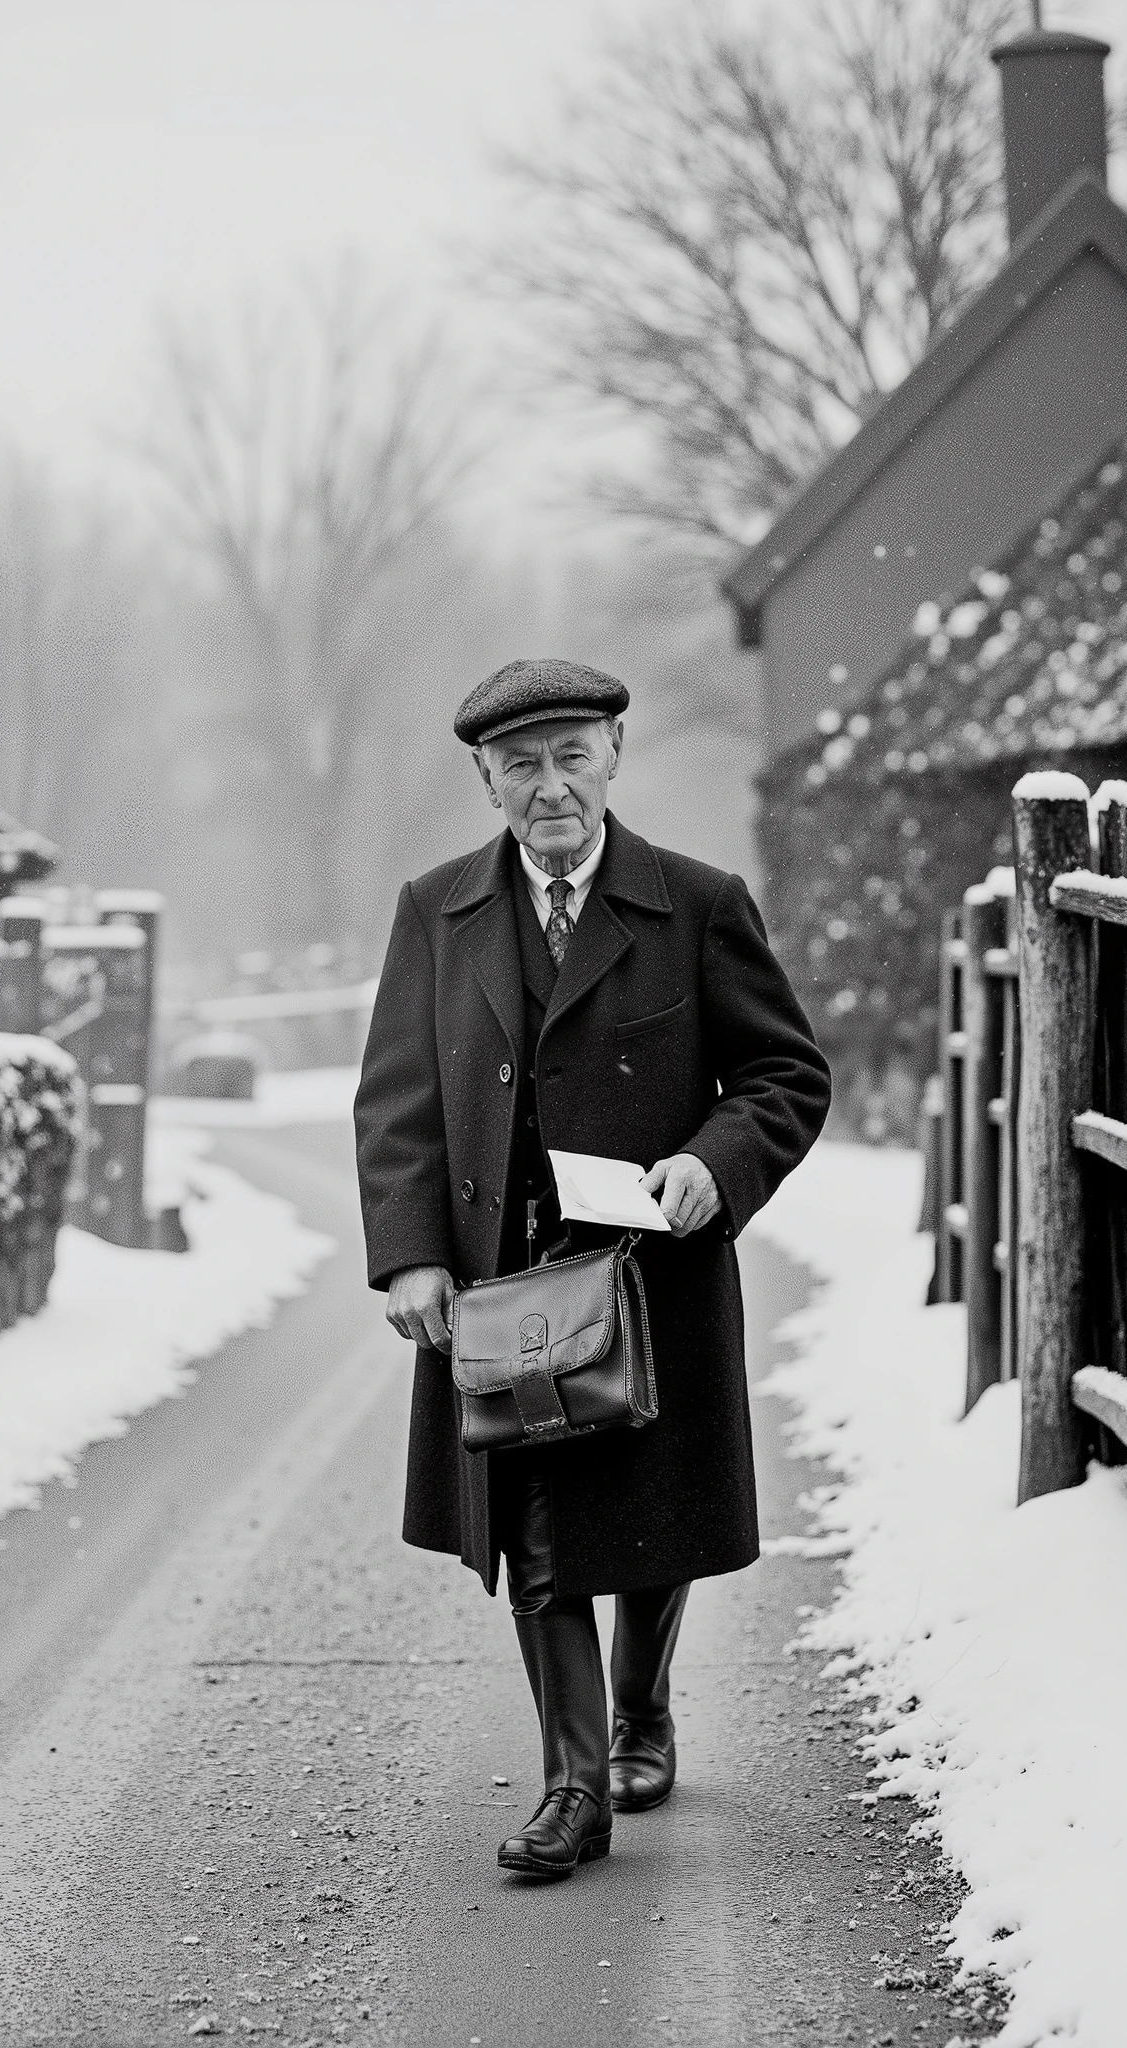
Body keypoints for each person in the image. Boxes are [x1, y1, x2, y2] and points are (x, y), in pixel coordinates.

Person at [353, 657, 830, 1880]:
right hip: (501, 1289)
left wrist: (713, 1165)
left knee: (650, 1517)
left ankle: (641, 1708)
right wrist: (411, 1256)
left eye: (570, 755)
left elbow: (783, 1076)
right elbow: (397, 1101)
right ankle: (573, 1783)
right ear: (484, 778)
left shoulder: (696, 902)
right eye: (520, 765)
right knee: (537, 1524)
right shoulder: (435, 909)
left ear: (614, 752)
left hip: (649, 1277)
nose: (548, 786)